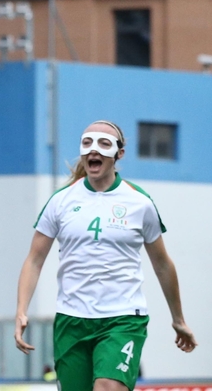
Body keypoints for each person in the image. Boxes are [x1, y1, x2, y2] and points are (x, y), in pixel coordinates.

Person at [14, 120, 197, 391]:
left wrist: (178, 319)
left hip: (123, 318)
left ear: (119, 153)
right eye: (87, 143)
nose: (93, 150)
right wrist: (21, 311)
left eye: (103, 143)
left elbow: (162, 264)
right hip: (72, 320)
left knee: (107, 387)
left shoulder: (139, 202)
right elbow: (34, 259)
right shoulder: (61, 200)